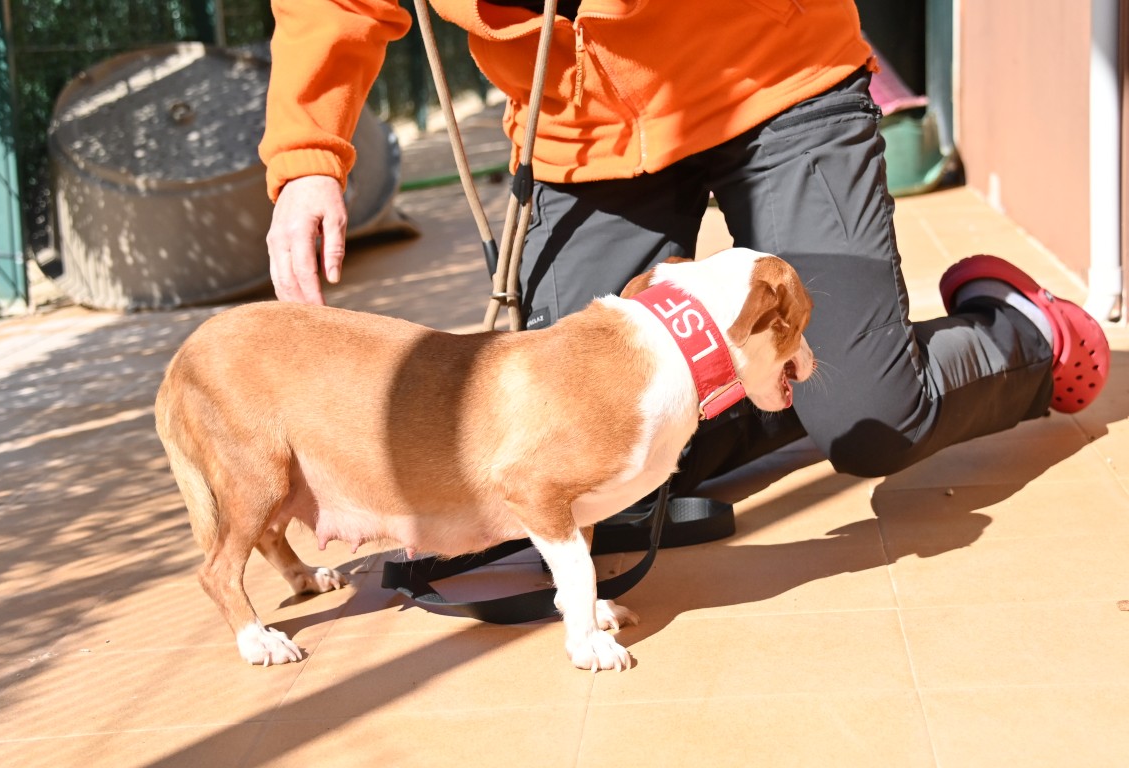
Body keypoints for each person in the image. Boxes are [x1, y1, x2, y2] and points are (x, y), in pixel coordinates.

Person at [259, 0, 1110, 499]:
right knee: (603, 457)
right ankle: (748, 406)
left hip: (772, 77)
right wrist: (306, 158)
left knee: (870, 423)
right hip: (579, 134)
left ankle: (1025, 333)